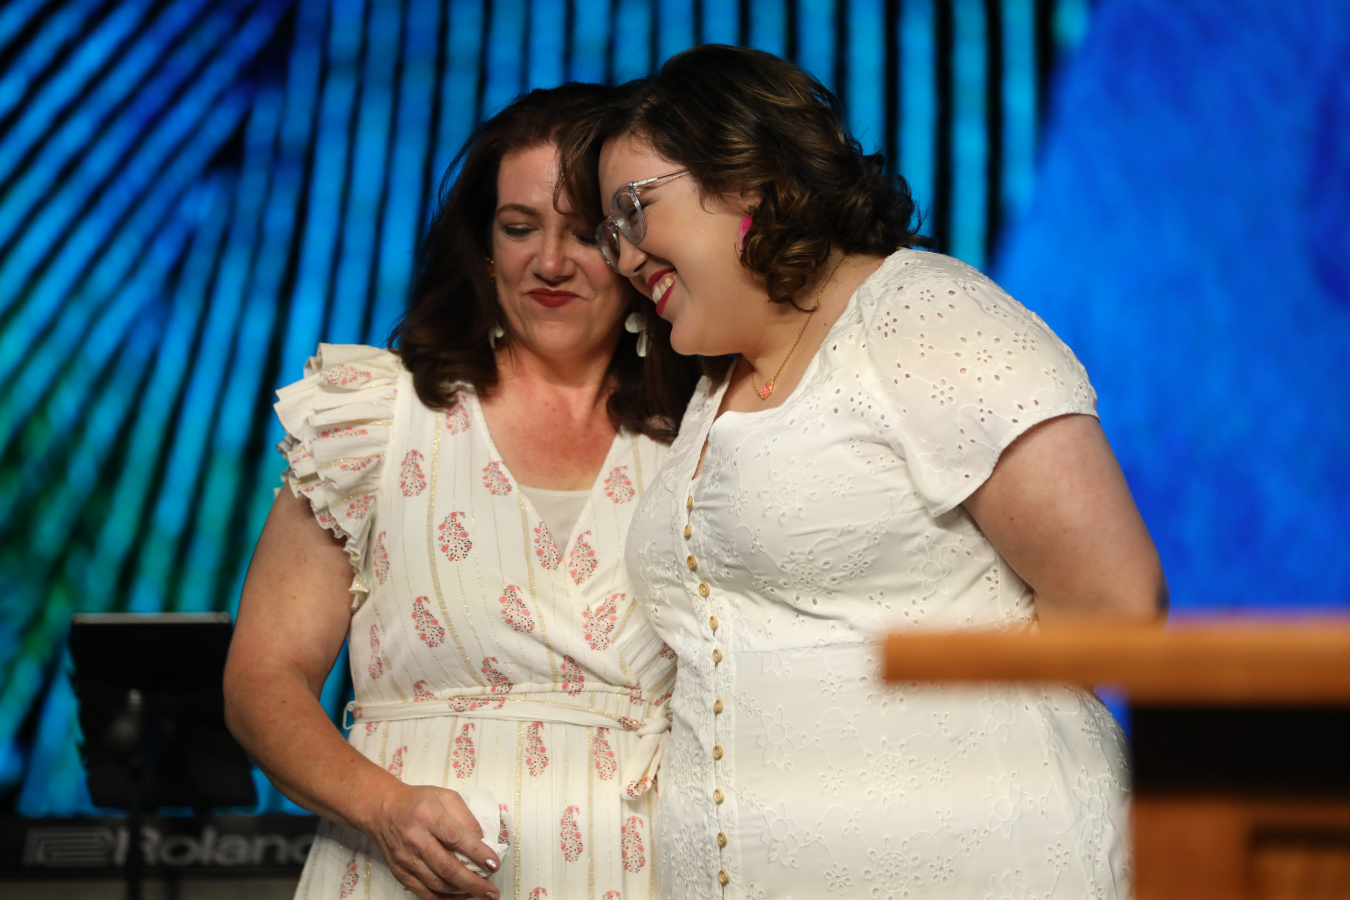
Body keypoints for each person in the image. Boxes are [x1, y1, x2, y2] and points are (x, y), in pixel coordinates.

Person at [574, 45, 1168, 899]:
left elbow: (1116, 600)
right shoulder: (717, 386)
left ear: (747, 176)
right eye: (610, 234)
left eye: (634, 211)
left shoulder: (922, 313)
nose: (624, 258)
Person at [224, 83, 699, 900]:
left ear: (636, 247)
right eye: (519, 227)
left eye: (584, 231)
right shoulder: (377, 420)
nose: (550, 262)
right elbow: (263, 679)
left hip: (642, 872)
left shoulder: (700, 437)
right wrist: (383, 807)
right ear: (483, 247)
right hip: (401, 876)